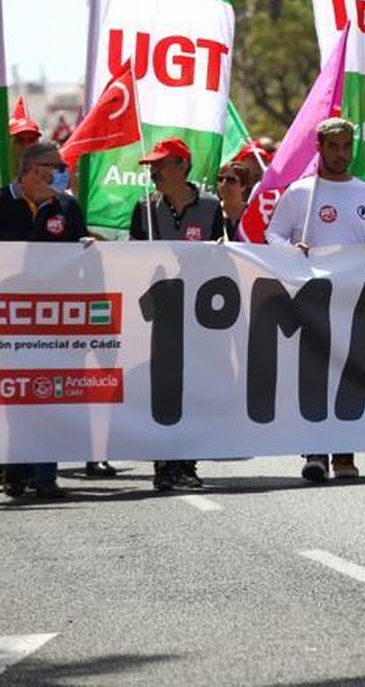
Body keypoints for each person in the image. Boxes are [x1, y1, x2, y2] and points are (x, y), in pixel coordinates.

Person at [266, 118, 365, 483]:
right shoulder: (300, 193)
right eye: (334, 146)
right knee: (315, 375)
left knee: (350, 374)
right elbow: (273, 234)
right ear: (320, 147)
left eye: (346, 146)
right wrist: (291, 249)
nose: (341, 154)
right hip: (311, 299)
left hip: (354, 299)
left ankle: (344, 453)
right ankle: (316, 452)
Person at [0, 141, 88, 499]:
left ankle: (45, 476)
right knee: (15, 395)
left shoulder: (67, 206)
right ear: (33, 171)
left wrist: (89, 248)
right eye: (56, 167)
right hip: (8, 320)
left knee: (48, 394)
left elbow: (81, 250)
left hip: (52, 320)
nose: (63, 172)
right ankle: (13, 471)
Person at [131, 137, 225, 491]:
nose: (154, 171)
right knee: (163, 389)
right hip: (159, 313)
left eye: (161, 164)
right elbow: (132, 258)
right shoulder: (144, 208)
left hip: (200, 313)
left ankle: (186, 463)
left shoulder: (211, 207)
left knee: (195, 388)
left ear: (183, 165)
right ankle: (163, 465)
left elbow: (222, 257)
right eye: (152, 166)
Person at [216, 164, 248, 240]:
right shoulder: (211, 211)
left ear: (243, 186)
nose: (223, 184)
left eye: (231, 180)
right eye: (220, 179)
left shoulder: (252, 213)